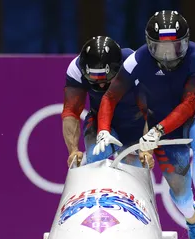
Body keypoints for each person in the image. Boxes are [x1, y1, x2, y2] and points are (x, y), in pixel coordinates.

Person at [92, 10, 195, 239]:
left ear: (187, 43)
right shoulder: (135, 61)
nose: (168, 56)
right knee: (180, 193)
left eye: (175, 48)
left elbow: (189, 103)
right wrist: (103, 130)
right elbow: (109, 97)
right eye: (161, 49)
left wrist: (158, 130)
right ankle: (192, 219)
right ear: (150, 46)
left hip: (194, 116)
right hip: (162, 129)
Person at [61, 36, 154, 169]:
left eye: (106, 77)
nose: (101, 84)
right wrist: (73, 151)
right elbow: (71, 112)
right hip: (99, 122)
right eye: (94, 78)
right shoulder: (76, 69)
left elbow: (150, 110)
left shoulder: (135, 65)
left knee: (135, 167)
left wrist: (146, 150)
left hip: (136, 125)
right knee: (95, 158)